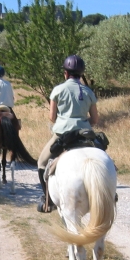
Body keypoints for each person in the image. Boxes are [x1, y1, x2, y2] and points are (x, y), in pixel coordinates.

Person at [36, 54, 98, 213]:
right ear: (81, 74)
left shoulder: (58, 90)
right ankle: (112, 194)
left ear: (65, 73)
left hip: (63, 134)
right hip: (85, 133)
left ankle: (47, 200)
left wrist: (64, 122)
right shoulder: (89, 91)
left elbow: (51, 117)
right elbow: (95, 119)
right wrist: (83, 124)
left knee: (42, 163)